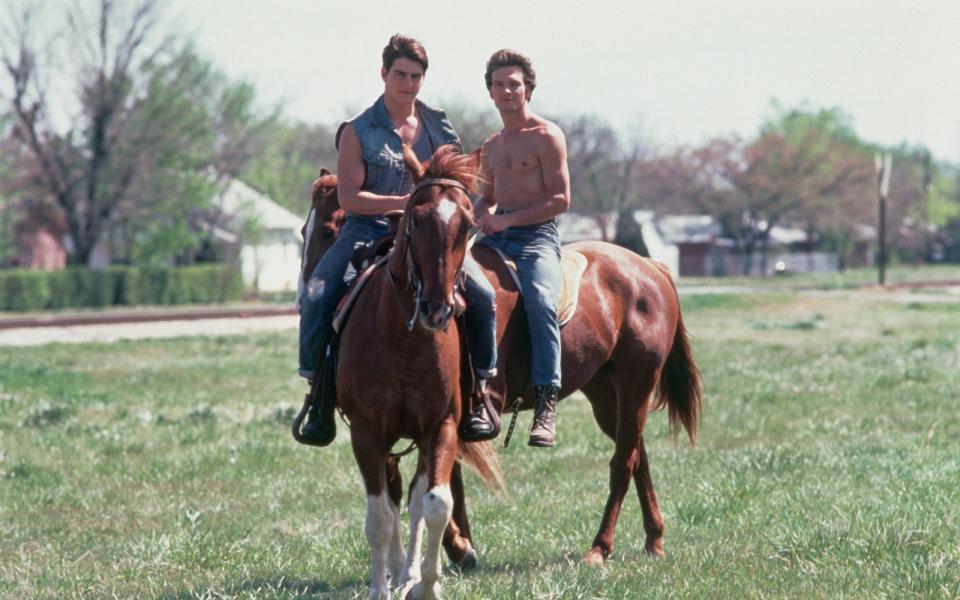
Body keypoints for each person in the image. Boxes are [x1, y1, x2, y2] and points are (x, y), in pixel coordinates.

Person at [298, 34, 498, 444]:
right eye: (400, 74)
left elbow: (456, 182)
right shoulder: (357, 131)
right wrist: (405, 202)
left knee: (482, 295)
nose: (407, 83)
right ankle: (318, 396)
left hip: (431, 235)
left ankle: (479, 393)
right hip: (365, 230)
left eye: (416, 76)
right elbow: (351, 197)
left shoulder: (439, 124)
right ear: (383, 74)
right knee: (319, 292)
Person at [474, 49, 571, 448]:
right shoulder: (491, 145)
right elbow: (486, 197)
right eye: (499, 85)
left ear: (528, 89)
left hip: (536, 236)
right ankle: (477, 392)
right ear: (491, 93)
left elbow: (561, 199)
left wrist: (508, 219)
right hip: (495, 234)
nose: (507, 91)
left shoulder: (547, 135)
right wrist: (473, 215)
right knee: (461, 293)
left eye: (514, 84)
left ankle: (546, 401)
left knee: (541, 301)